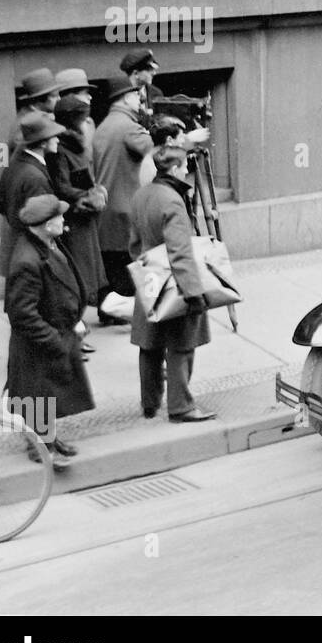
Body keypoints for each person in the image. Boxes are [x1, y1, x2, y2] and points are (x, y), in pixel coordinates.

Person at [5, 194, 93, 468]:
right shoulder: (27, 261)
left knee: (49, 393)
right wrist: (54, 340)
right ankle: (40, 448)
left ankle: (50, 440)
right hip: (38, 342)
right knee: (38, 392)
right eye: (58, 216)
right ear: (45, 224)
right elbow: (22, 314)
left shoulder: (46, 244)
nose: (63, 219)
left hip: (55, 332)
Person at [129, 145, 215, 422]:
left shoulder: (142, 194)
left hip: (149, 277)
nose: (188, 171)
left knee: (150, 343)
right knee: (181, 344)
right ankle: (181, 406)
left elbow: (133, 243)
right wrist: (193, 292)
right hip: (175, 282)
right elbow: (180, 250)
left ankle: (150, 404)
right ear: (175, 169)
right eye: (184, 167)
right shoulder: (173, 200)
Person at [93, 76, 155, 323]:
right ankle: (122, 312)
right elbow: (155, 148)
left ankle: (107, 310)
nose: (139, 100)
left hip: (107, 206)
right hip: (125, 207)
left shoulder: (105, 125)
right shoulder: (129, 127)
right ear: (126, 98)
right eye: (136, 96)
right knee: (127, 264)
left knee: (112, 263)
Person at [53, 95, 108, 324]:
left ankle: (78, 325)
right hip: (75, 219)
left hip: (85, 218)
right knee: (79, 276)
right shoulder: (61, 150)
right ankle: (75, 326)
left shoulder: (75, 145)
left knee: (87, 275)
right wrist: (86, 194)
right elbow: (61, 185)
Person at [0, 112, 63, 280]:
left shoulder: (13, 166)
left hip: (18, 246)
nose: (58, 140)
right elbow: (41, 219)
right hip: (35, 253)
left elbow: (0, 204)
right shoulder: (35, 176)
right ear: (43, 141)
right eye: (53, 136)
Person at [6, 68, 62, 155]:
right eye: (55, 95)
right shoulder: (25, 124)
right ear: (41, 98)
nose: (59, 99)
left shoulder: (40, 116)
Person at [119, 49, 164, 128]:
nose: (154, 73)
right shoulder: (120, 95)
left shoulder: (156, 93)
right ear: (136, 73)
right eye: (149, 70)